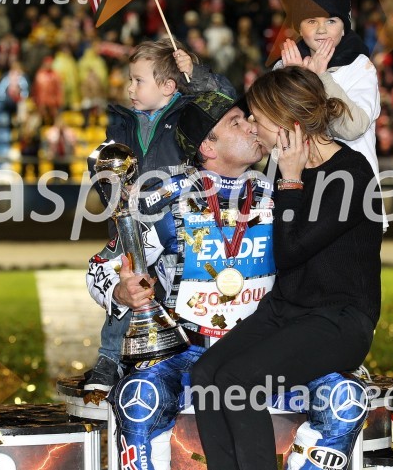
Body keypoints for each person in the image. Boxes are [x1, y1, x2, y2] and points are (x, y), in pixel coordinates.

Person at [191, 67, 382, 470]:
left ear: (288, 124)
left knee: (239, 380)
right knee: (206, 373)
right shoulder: (283, 168)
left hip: (340, 319)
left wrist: (292, 182)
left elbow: (291, 251)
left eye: (258, 119)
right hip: (287, 309)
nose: (253, 128)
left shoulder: (353, 174)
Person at [86, 91, 276, 470]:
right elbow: (100, 267)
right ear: (208, 145)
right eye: (237, 122)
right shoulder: (166, 195)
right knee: (138, 399)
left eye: (249, 119)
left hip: (266, 349)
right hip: (188, 351)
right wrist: (124, 291)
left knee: (344, 397)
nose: (252, 126)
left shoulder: (280, 190)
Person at [84, 38, 236, 393]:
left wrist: (196, 74)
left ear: (168, 86)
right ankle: (110, 357)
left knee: (179, 297)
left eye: (139, 80)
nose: (130, 88)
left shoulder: (188, 114)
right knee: (129, 287)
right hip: (133, 226)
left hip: (178, 228)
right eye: (130, 79)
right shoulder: (120, 123)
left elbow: (226, 101)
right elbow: (108, 174)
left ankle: (184, 356)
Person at [275, 0, 386, 230]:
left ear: (345, 25)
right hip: (299, 191)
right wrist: (295, 79)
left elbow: (352, 127)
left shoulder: (361, 67)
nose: (322, 29)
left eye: (331, 20)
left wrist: (319, 79)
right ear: (298, 27)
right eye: (311, 20)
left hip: (352, 195)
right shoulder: (284, 67)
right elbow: (275, 132)